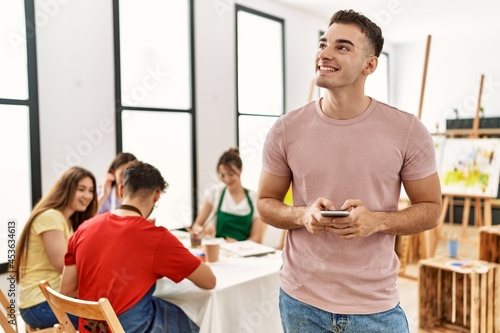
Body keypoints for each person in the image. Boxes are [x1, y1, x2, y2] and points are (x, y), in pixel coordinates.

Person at [256, 9, 442, 333]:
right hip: (300, 303)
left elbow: (431, 209)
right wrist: (302, 216)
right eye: (323, 43)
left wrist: (378, 221)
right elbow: (265, 202)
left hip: (375, 308)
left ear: (369, 65)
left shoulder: (408, 130)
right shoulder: (286, 129)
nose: (324, 53)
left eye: (342, 47)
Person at [61, 161, 216, 333]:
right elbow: (209, 281)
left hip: (88, 329)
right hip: (130, 328)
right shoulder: (156, 237)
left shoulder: (83, 229)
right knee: (199, 321)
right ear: (156, 195)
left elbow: (66, 291)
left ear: (121, 190)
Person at [14, 166, 97, 329]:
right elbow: (62, 265)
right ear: (66, 189)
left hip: (48, 300)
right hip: (38, 305)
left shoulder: (66, 222)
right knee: (100, 319)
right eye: (81, 189)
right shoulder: (51, 217)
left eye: (91, 190)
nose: (87, 196)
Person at [192, 148, 263, 243]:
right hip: (220, 250)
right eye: (222, 175)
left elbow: (256, 238)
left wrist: (238, 245)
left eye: (231, 174)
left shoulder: (254, 198)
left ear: (240, 170)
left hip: (244, 252)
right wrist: (202, 230)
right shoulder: (216, 192)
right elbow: (197, 225)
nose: (227, 180)